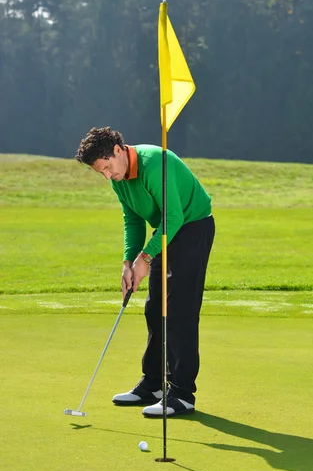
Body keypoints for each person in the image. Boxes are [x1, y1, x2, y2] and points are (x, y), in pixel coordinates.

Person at [75, 126, 215, 418]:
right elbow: (134, 221)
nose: (107, 176)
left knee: (179, 311)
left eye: (107, 168)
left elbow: (174, 216)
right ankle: (153, 385)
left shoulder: (155, 163)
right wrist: (129, 262)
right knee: (154, 309)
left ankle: (182, 394)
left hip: (192, 228)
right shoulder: (119, 179)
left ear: (117, 150)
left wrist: (147, 256)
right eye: (100, 172)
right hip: (164, 231)